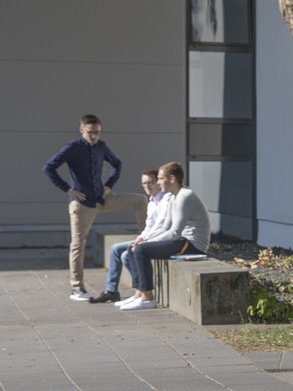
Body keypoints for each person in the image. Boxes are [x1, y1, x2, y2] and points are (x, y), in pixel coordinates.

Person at [43, 114, 124, 301]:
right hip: (81, 204)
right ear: (81, 130)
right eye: (90, 133)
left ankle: (147, 238)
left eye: (97, 133)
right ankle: (76, 288)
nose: (94, 136)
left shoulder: (102, 147)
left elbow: (117, 164)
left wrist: (109, 185)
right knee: (78, 245)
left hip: (100, 200)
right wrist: (68, 189)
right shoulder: (73, 147)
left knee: (139, 200)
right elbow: (49, 167)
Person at [117, 163, 210, 311]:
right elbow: (166, 227)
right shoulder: (175, 196)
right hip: (181, 241)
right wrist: (143, 240)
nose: (158, 182)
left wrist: (147, 242)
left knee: (141, 251)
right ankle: (139, 295)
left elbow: (174, 233)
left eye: (160, 178)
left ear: (172, 178)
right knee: (132, 248)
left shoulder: (185, 197)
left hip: (192, 245)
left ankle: (147, 299)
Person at [90, 170, 167, 304]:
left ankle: (142, 290)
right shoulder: (152, 201)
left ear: (158, 182)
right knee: (116, 249)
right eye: (144, 183)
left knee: (126, 255)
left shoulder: (164, 200)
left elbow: (162, 228)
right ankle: (112, 291)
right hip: (147, 238)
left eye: (151, 182)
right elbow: (148, 227)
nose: (147, 186)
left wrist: (144, 240)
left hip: (158, 239)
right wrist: (139, 238)